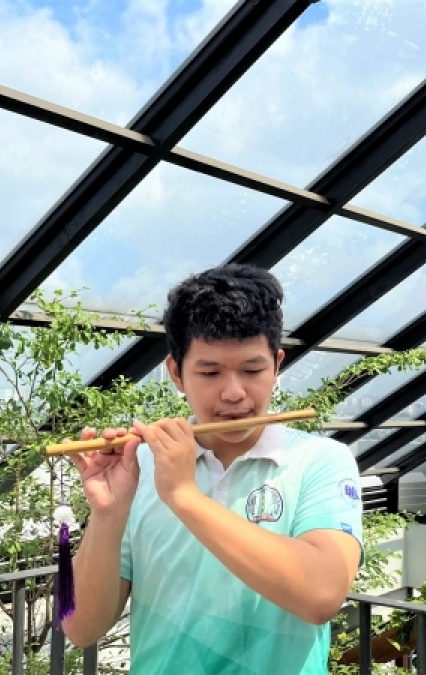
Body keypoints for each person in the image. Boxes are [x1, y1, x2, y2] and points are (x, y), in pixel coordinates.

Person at [61, 264, 364, 674]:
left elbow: (322, 593)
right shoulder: (141, 466)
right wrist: (108, 513)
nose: (234, 393)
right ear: (176, 373)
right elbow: (79, 628)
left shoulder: (320, 459)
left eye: (252, 370)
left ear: (277, 365)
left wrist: (183, 495)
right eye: (209, 372)